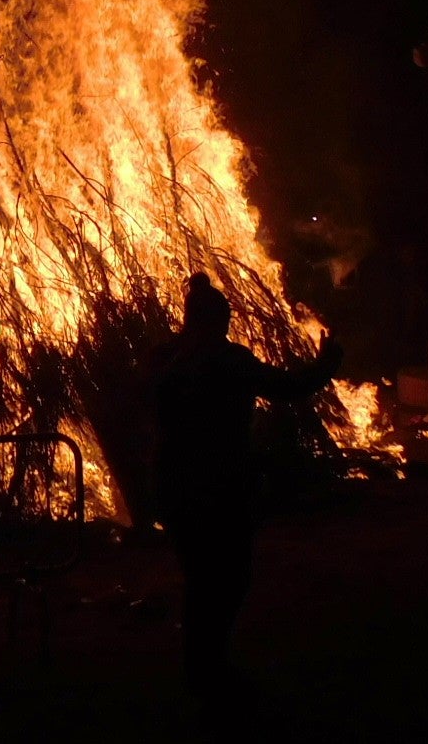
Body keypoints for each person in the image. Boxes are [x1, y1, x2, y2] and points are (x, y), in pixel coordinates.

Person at [154, 272, 343, 704]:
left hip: (175, 487)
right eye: (224, 315)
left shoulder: (169, 359)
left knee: (202, 581)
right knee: (227, 578)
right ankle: (209, 675)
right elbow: (287, 387)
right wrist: (326, 366)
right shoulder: (226, 360)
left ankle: (203, 671)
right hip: (215, 489)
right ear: (216, 319)